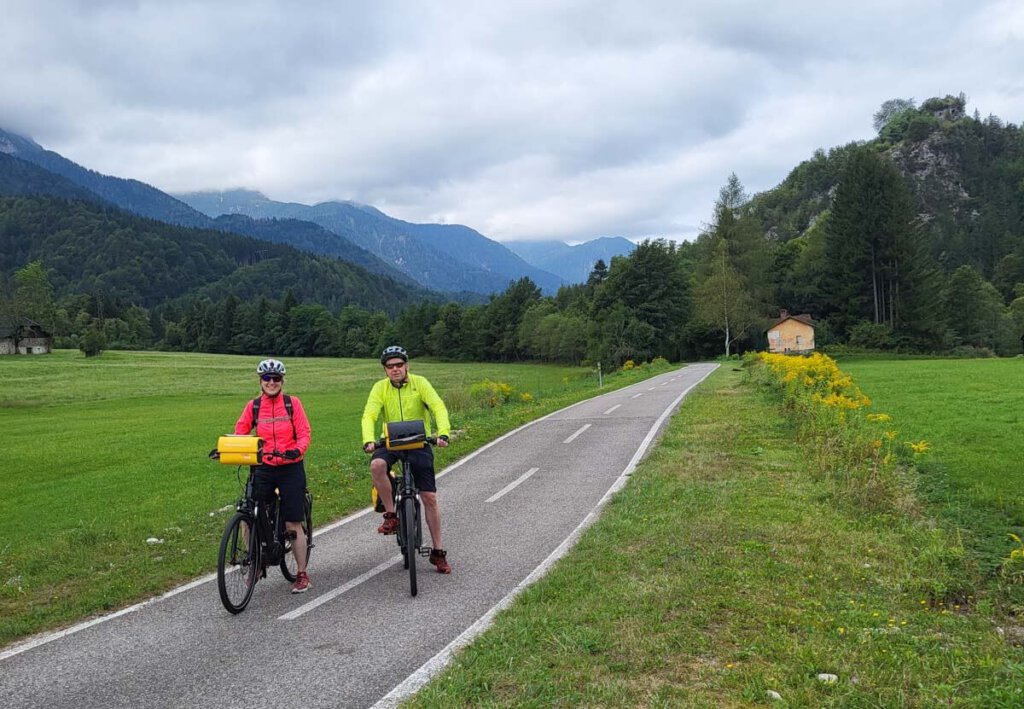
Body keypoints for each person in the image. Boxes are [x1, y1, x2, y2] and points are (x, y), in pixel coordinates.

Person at [362, 345, 453, 574]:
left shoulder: (420, 383)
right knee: (377, 465)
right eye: (390, 366)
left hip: (419, 442)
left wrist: (443, 433)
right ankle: (392, 514)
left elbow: (437, 407)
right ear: (385, 370)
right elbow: (369, 414)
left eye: (399, 365)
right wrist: (368, 439)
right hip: (391, 443)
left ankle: (438, 552)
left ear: (407, 366)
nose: (395, 369)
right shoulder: (380, 388)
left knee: (429, 497)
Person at [234, 358, 313, 593]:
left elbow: (305, 433)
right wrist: (229, 447)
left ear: (282, 381)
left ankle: (301, 573)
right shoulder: (254, 406)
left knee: (292, 522)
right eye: (267, 378)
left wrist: (297, 450)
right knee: (250, 514)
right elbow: (240, 431)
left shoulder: (292, 404)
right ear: (260, 381)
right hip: (264, 466)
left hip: (290, 465)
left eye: (276, 378)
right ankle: (255, 562)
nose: (271, 382)